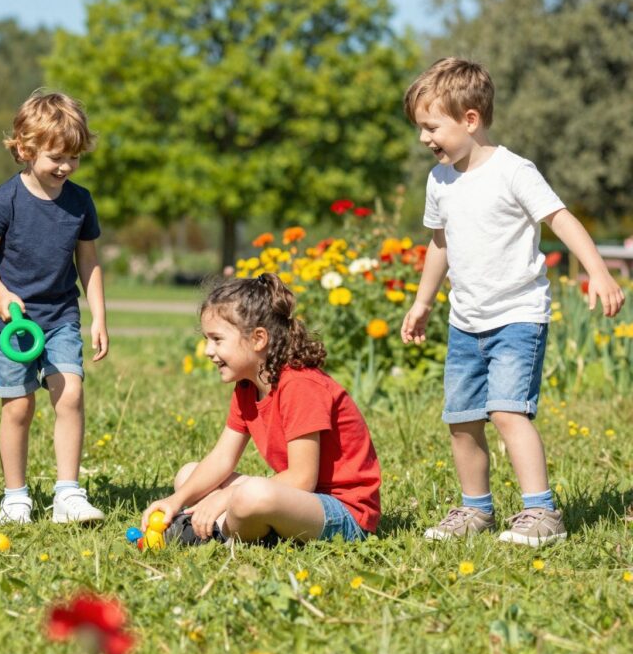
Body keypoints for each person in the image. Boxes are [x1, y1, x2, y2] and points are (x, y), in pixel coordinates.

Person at [401, 58, 624, 547]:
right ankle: (475, 510)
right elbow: (440, 243)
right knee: (461, 419)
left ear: (471, 119)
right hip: (465, 322)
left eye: (431, 127)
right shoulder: (439, 181)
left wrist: (599, 272)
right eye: (421, 128)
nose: (424, 139)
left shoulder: (513, 171)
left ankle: (541, 512)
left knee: (507, 413)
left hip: (517, 318)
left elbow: (560, 220)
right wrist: (423, 302)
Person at [142, 274, 380, 545]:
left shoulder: (301, 386)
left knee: (250, 494)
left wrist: (226, 497)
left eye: (217, 339)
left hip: (344, 513)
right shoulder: (247, 386)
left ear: (258, 339)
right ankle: (220, 523)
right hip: (298, 502)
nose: (208, 350)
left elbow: (302, 479)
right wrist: (174, 501)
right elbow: (222, 458)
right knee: (188, 475)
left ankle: (217, 534)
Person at [0, 91, 109, 525]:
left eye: (74, 157)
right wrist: (1, 294)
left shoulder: (80, 201)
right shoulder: (5, 199)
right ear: (26, 150)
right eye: (56, 157)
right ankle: (16, 497)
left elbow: (88, 261)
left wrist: (99, 317)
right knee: (18, 407)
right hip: (11, 323)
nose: (66, 166)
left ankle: (68, 493)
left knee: (70, 395)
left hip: (60, 316)